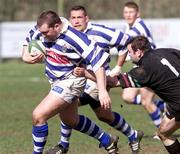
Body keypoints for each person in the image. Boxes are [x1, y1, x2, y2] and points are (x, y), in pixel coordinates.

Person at [45, 5, 143, 154]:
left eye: (80, 17)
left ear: (86, 18)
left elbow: (126, 41)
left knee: (66, 102)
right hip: (78, 79)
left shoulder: (100, 31)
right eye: (73, 18)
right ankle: (133, 134)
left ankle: (64, 145)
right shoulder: (67, 35)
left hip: (97, 79)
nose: (76, 21)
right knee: (104, 116)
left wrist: (118, 66)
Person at [22, 10, 120, 154]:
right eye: (41, 32)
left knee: (39, 115)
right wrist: (25, 56)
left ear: (56, 26)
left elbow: (98, 62)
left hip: (71, 81)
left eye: (45, 33)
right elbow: (28, 38)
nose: (42, 36)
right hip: (56, 81)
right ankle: (107, 140)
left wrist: (103, 91)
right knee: (70, 120)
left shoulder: (75, 37)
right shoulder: (42, 29)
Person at [112, 36, 180, 154]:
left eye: (129, 52)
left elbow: (113, 82)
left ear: (138, 52)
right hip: (175, 105)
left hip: (178, 105)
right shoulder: (166, 51)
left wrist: (87, 74)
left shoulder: (144, 70)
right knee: (163, 133)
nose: (128, 56)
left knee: (164, 134)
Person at [110, 1, 165, 131]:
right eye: (126, 12)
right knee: (128, 97)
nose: (128, 15)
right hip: (140, 67)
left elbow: (125, 44)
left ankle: (162, 131)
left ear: (137, 13)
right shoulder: (130, 27)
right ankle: (162, 106)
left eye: (131, 12)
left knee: (147, 101)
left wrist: (118, 65)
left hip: (151, 67)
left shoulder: (138, 28)